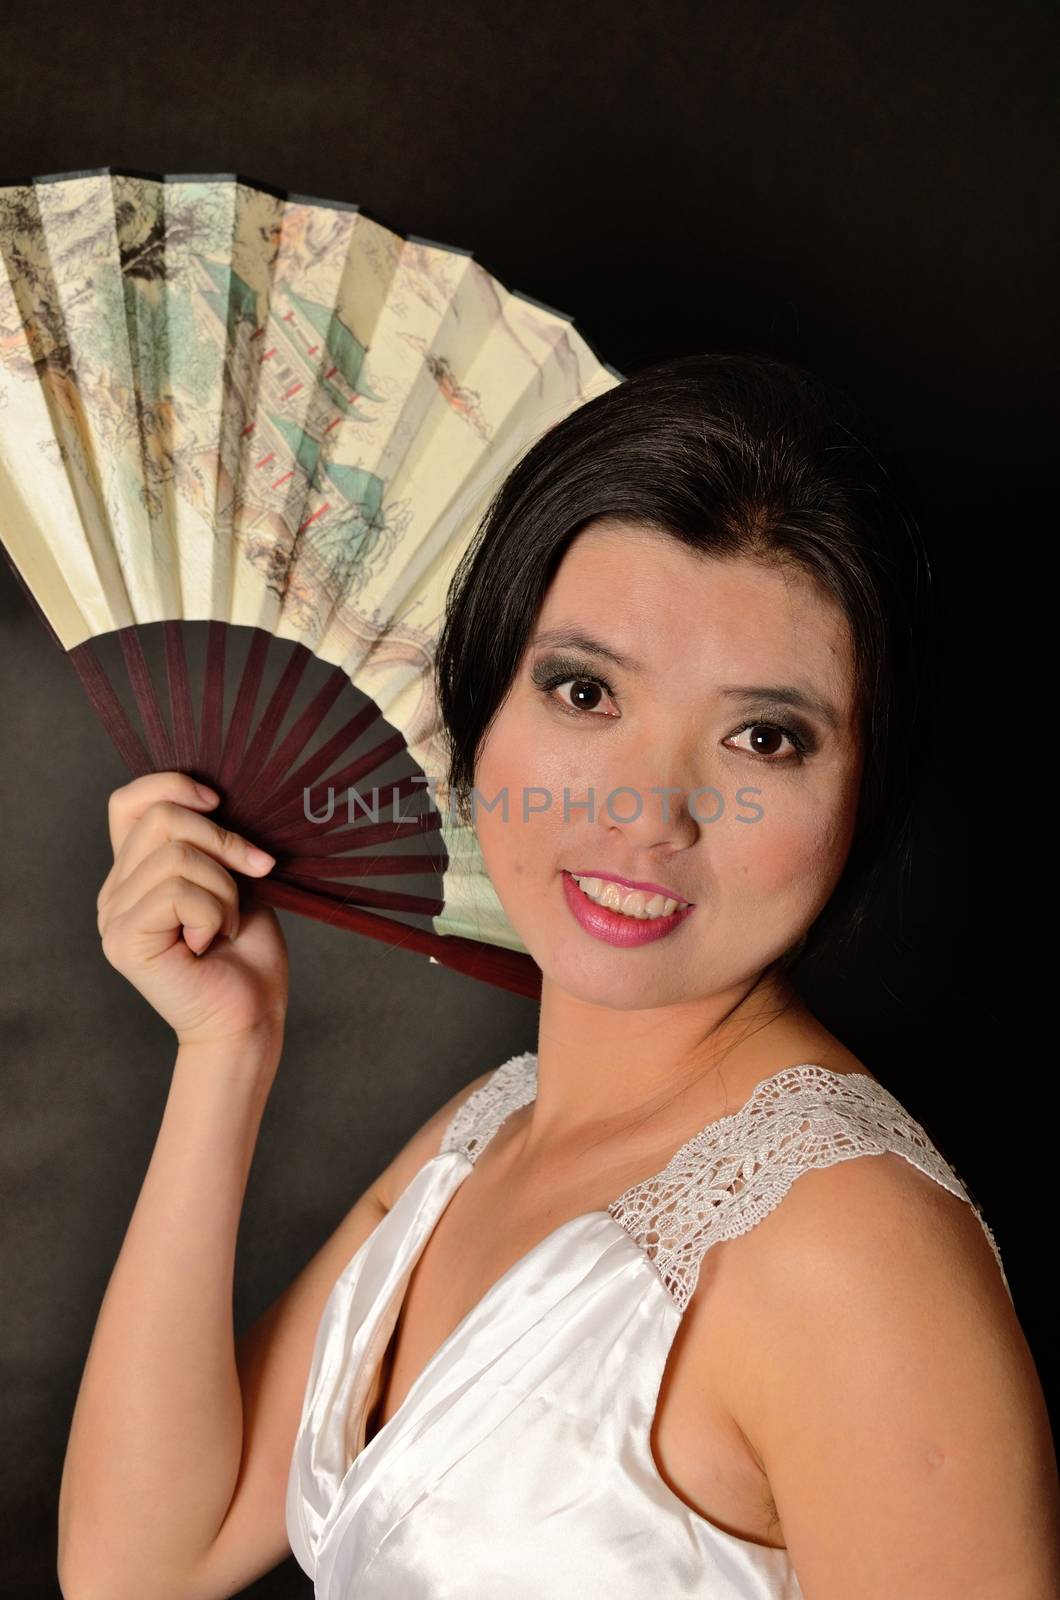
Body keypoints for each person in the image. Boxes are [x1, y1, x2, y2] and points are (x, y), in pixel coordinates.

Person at [58, 354, 1059, 1600]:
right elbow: (141, 1566)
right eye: (585, 691)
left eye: (763, 737)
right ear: (478, 711)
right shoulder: (488, 1133)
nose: (648, 816)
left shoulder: (852, 1256)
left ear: (863, 796)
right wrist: (224, 1052)